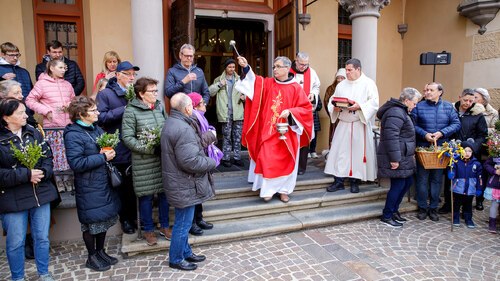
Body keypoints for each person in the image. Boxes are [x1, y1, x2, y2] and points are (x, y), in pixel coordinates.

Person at [235, 56, 313, 203]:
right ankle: (267, 190)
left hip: (287, 132)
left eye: (278, 67)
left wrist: (291, 112)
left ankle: (284, 191)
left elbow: (306, 109)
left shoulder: (296, 88)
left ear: (286, 69)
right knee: (266, 157)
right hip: (268, 131)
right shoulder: (268, 83)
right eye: (274, 67)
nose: (275, 69)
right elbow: (254, 82)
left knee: (287, 160)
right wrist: (246, 67)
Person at [0, 98, 58, 281]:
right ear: (6, 118)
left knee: (42, 238)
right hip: (12, 198)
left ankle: (44, 273)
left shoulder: (33, 132)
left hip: (39, 192)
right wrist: (26, 175)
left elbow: (47, 156)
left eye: (25, 111)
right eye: (20, 113)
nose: (26, 115)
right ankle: (18, 278)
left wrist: (44, 172)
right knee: (16, 242)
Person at [64, 96, 120, 271]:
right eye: (94, 110)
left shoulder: (95, 129)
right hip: (88, 185)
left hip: (102, 182)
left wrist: (109, 150)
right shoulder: (73, 134)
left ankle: (100, 252)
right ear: (81, 114)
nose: (98, 112)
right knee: (91, 223)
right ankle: (92, 256)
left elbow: (104, 148)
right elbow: (76, 163)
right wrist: (102, 156)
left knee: (102, 219)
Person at [161, 93, 216, 271]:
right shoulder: (182, 128)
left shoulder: (173, 121)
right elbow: (190, 161)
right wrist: (211, 162)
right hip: (184, 183)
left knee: (183, 221)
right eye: (191, 106)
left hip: (180, 182)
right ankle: (176, 258)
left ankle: (185, 252)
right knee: (183, 224)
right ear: (187, 108)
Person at [121, 77, 170, 246]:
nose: (156, 94)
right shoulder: (131, 111)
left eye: (156, 90)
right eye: (152, 91)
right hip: (144, 162)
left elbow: (167, 127)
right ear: (141, 94)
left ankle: (164, 226)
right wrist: (150, 148)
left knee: (165, 194)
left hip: (162, 159)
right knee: (146, 196)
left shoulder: (159, 107)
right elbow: (127, 138)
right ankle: (148, 229)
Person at [324, 58, 379, 194]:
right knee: (339, 153)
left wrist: (359, 106)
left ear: (358, 69)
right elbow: (332, 100)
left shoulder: (368, 83)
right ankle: (339, 181)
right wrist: (334, 107)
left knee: (357, 154)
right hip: (343, 123)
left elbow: (374, 103)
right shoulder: (341, 85)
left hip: (359, 123)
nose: (347, 73)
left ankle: (355, 181)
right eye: (346, 70)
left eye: (350, 70)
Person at [96, 61, 139, 235]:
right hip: (119, 147)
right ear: (118, 75)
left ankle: (136, 217)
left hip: (135, 146)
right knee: (123, 188)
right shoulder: (106, 94)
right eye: (128, 74)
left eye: (133, 74)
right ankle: (126, 220)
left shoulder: (135, 93)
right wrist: (125, 108)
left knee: (136, 186)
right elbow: (101, 118)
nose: (132, 77)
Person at [412, 82, 461, 221]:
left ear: (440, 92)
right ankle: (422, 207)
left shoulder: (448, 107)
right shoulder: (419, 106)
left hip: (441, 149)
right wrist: (424, 134)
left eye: (431, 90)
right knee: (422, 180)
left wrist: (441, 133)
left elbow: (456, 124)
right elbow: (412, 124)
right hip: (423, 149)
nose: (427, 92)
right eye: (426, 90)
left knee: (436, 180)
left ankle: (433, 208)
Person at [26, 59, 75, 193]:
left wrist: (70, 106)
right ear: (52, 68)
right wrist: (46, 111)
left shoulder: (67, 84)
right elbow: (29, 100)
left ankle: (68, 179)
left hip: (68, 125)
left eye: (65, 67)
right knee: (55, 153)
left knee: (67, 152)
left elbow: (74, 100)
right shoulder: (41, 84)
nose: (64, 69)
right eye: (60, 67)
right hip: (52, 126)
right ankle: (58, 181)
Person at [377, 88, 421, 228]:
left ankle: (394, 211)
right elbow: (391, 137)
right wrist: (394, 159)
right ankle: (387, 215)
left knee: (406, 182)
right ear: (406, 100)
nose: (415, 106)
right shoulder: (396, 112)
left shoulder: (400, 111)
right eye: (414, 103)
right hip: (397, 156)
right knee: (398, 185)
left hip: (404, 155)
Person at [439, 88, 488, 214]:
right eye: (465, 100)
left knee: (467, 179)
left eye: (471, 101)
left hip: (469, 153)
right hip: (453, 151)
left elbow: (482, 135)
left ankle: (465, 208)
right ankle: (448, 204)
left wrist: (473, 147)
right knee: (451, 177)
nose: (468, 103)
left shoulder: (478, 115)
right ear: (460, 97)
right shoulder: (452, 111)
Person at [186, 92, 220, 236]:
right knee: (195, 192)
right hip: (196, 160)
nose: (205, 104)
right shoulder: (192, 118)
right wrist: (212, 134)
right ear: (194, 105)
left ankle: (199, 218)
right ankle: (192, 223)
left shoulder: (200, 116)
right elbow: (197, 142)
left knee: (201, 189)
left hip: (202, 158)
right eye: (202, 103)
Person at [208, 58, 244, 167]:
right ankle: (226, 158)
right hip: (225, 113)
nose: (232, 69)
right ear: (225, 68)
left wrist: (245, 96)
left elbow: (249, 92)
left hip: (238, 112)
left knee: (237, 137)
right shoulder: (219, 79)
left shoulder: (240, 80)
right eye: (230, 67)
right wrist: (219, 84)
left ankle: (237, 157)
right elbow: (210, 92)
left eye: (233, 67)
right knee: (226, 136)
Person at [289, 52, 321, 174]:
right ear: (296, 61)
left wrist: (313, 93)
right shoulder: (288, 71)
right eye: (301, 64)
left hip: (305, 111)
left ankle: (301, 167)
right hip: (291, 111)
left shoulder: (311, 72)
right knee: (292, 138)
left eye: (306, 64)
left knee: (305, 137)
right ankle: (290, 165)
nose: (303, 67)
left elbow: (317, 86)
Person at [473, 87, 499, 210]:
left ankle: (479, 200)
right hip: (472, 147)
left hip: (484, 149)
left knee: (481, 176)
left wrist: (480, 129)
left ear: (484, 99)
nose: (473, 99)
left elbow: (495, 130)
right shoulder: (471, 109)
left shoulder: (492, 113)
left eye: (476, 97)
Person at [448, 141, 482, 228]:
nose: (467, 153)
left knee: (468, 205)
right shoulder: (456, 161)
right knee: (457, 204)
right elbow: (453, 170)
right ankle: (455, 218)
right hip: (458, 188)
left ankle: (468, 219)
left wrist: (479, 188)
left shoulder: (476, 164)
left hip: (470, 189)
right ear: (461, 151)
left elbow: (480, 178)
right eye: (465, 150)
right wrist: (452, 174)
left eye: (469, 151)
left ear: (472, 152)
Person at [323, 68, 346, 145]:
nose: (339, 80)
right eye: (338, 78)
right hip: (335, 115)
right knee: (334, 134)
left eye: (342, 78)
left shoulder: (348, 88)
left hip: (346, 115)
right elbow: (326, 101)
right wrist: (332, 110)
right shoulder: (331, 88)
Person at [483, 155, 500, 233]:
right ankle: (492, 223)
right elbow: (487, 164)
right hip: (496, 184)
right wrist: (494, 171)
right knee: (495, 204)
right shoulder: (496, 154)